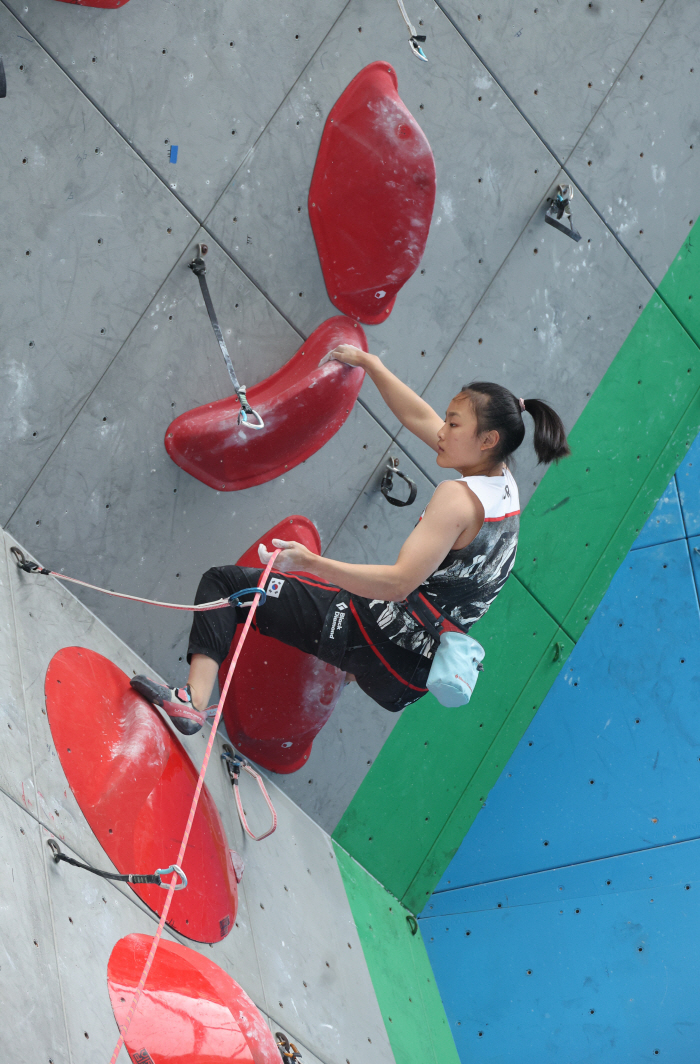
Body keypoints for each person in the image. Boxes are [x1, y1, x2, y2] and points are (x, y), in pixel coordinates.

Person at [131, 345, 570, 734]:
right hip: (415, 667)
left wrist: (308, 563)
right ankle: (348, 668)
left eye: (453, 424)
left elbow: (398, 584)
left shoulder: (456, 499)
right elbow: (422, 418)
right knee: (317, 613)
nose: (441, 431)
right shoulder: (502, 487)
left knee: (226, 585)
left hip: (379, 640)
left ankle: (192, 702)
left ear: (487, 439)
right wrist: (370, 365)